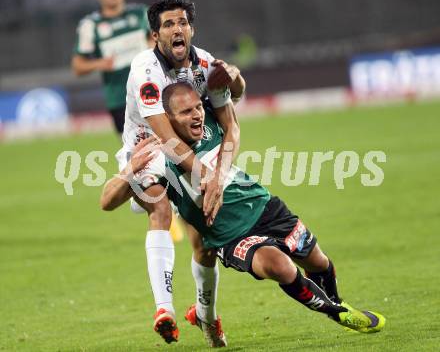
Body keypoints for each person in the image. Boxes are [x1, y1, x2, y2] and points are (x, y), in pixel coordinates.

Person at [103, 82, 386, 347]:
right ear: (167, 119)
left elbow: (233, 104)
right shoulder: (156, 155)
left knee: (318, 261)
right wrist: (130, 170)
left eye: (197, 108)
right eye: (186, 112)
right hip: (230, 236)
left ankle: (338, 302)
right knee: (281, 267)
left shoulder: (211, 123)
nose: (196, 115)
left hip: (265, 207)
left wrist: (232, 78)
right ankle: (336, 312)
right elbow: (107, 200)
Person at [101, 0, 245, 346]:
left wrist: (236, 79)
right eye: (168, 24)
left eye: (182, 22)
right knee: (160, 207)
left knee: (205, 243)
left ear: (191, 29)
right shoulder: (145, 70)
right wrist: (208, 176)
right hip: (148, 149)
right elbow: (164, 136)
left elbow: (232, 104)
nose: (176, 29)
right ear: (155, 36)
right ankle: (163, 309)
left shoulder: (206, 64)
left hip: (192, 152)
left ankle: (205, 315)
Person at [71, 0, 153, 135]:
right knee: (139, 153)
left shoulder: (142, 14)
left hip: (152, 89)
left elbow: (162, 42)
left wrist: (153, 46)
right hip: (120, 100)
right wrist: (99, 64)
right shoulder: (91, 25)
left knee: (170, 147)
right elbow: (77, 66)